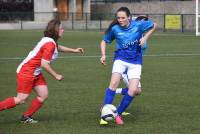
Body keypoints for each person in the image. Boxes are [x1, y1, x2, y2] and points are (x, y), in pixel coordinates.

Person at [0, 19, 84, 123]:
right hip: (27, 72)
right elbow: (44, 64)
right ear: (56, 30)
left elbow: (58, 47)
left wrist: (74, 50)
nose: (63, 30)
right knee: (21, 99)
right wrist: (56, 75)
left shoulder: (49, 41)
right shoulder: (49, 44)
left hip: (35, 72)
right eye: (61, 28)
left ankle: (26, 117)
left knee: (43, 94)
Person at [99, 7, 156, 125]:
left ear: (129, 17)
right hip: (120, 59)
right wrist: (103, 55)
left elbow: (154, 25)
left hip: (135, 62)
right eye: (118, 18)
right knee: (113, 84)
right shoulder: (115, 29)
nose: (120, 20)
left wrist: (145, 37)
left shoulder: (138, 25)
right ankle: (104, 115)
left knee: (134, 90)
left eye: (123, 18)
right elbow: (104, 41)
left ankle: (117, 113)